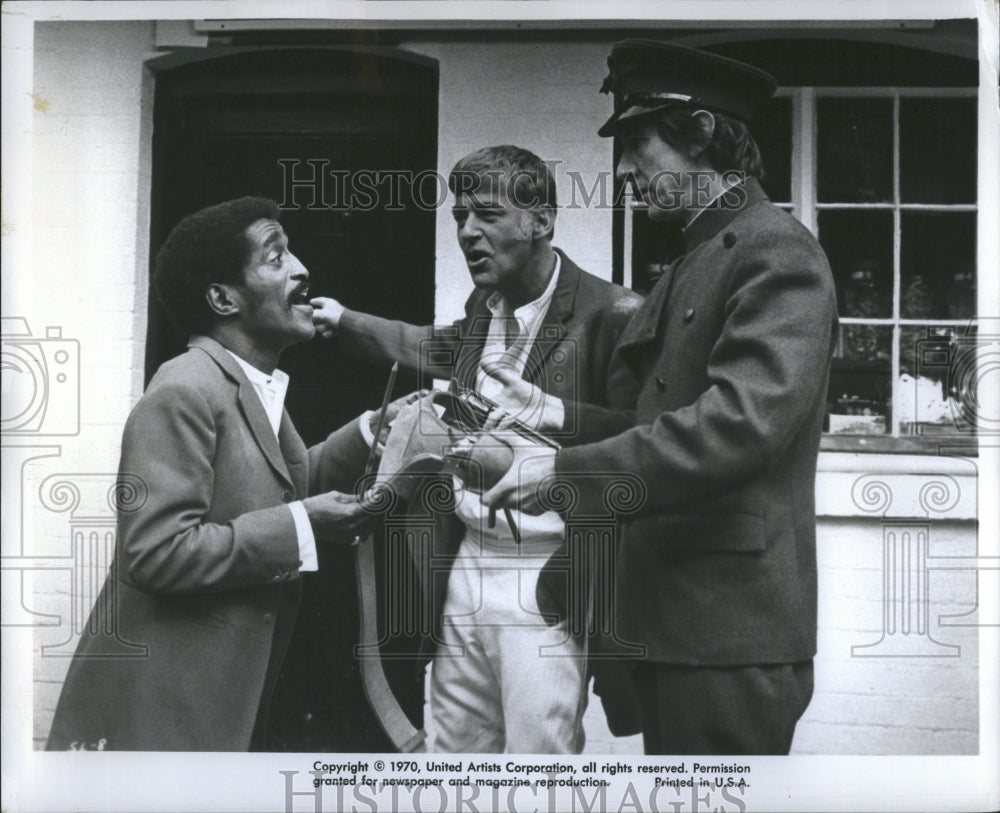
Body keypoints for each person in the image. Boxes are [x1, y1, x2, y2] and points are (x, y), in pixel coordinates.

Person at [482, 41, 839, 755]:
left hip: (727, 632)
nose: (623, 170)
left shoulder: (777, 252)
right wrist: (554, 414)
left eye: (637, 142)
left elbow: (738, 425)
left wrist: (562, 475)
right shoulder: (700, 255)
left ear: (701, 133)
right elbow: (663, 422)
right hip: (684, 622)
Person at [311, 145, 642, 753]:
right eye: (460, 215)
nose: (467, 232)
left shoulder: (612, 316)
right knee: (455, 754)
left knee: (539, 762)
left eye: (487, 214)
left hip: (548, 568)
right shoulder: (482, 310)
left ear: (540, 220)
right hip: (466, 559)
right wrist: (347, 321)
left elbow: (639, 441)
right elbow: (430, 346)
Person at [46, 197, 397, 751]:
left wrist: (372, 431)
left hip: (212, 700)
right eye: (276, 257)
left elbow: (281, 487)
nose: (302, 269)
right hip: (166, 711)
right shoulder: (185, 388)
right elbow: (156, 552)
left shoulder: (242, 383)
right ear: (222, 298)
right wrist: (304, 525)